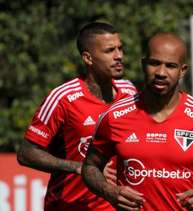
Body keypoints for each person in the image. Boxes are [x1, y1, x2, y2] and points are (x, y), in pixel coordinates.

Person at [82, 32, 193, 210]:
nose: (161, 73)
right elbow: (90, 167)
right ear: (144, 64)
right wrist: (109, 191)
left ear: (182, 70)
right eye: (154, 63)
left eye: (170, 66)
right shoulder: (114, 115)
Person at [17, 22, 137, 211]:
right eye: (109, 51)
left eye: (120, 48)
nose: (119, 56)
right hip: (69, 206)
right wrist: (79, 167)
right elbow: (26, 153)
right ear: (88, 58)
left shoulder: (130, 93)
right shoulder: (63, 98)